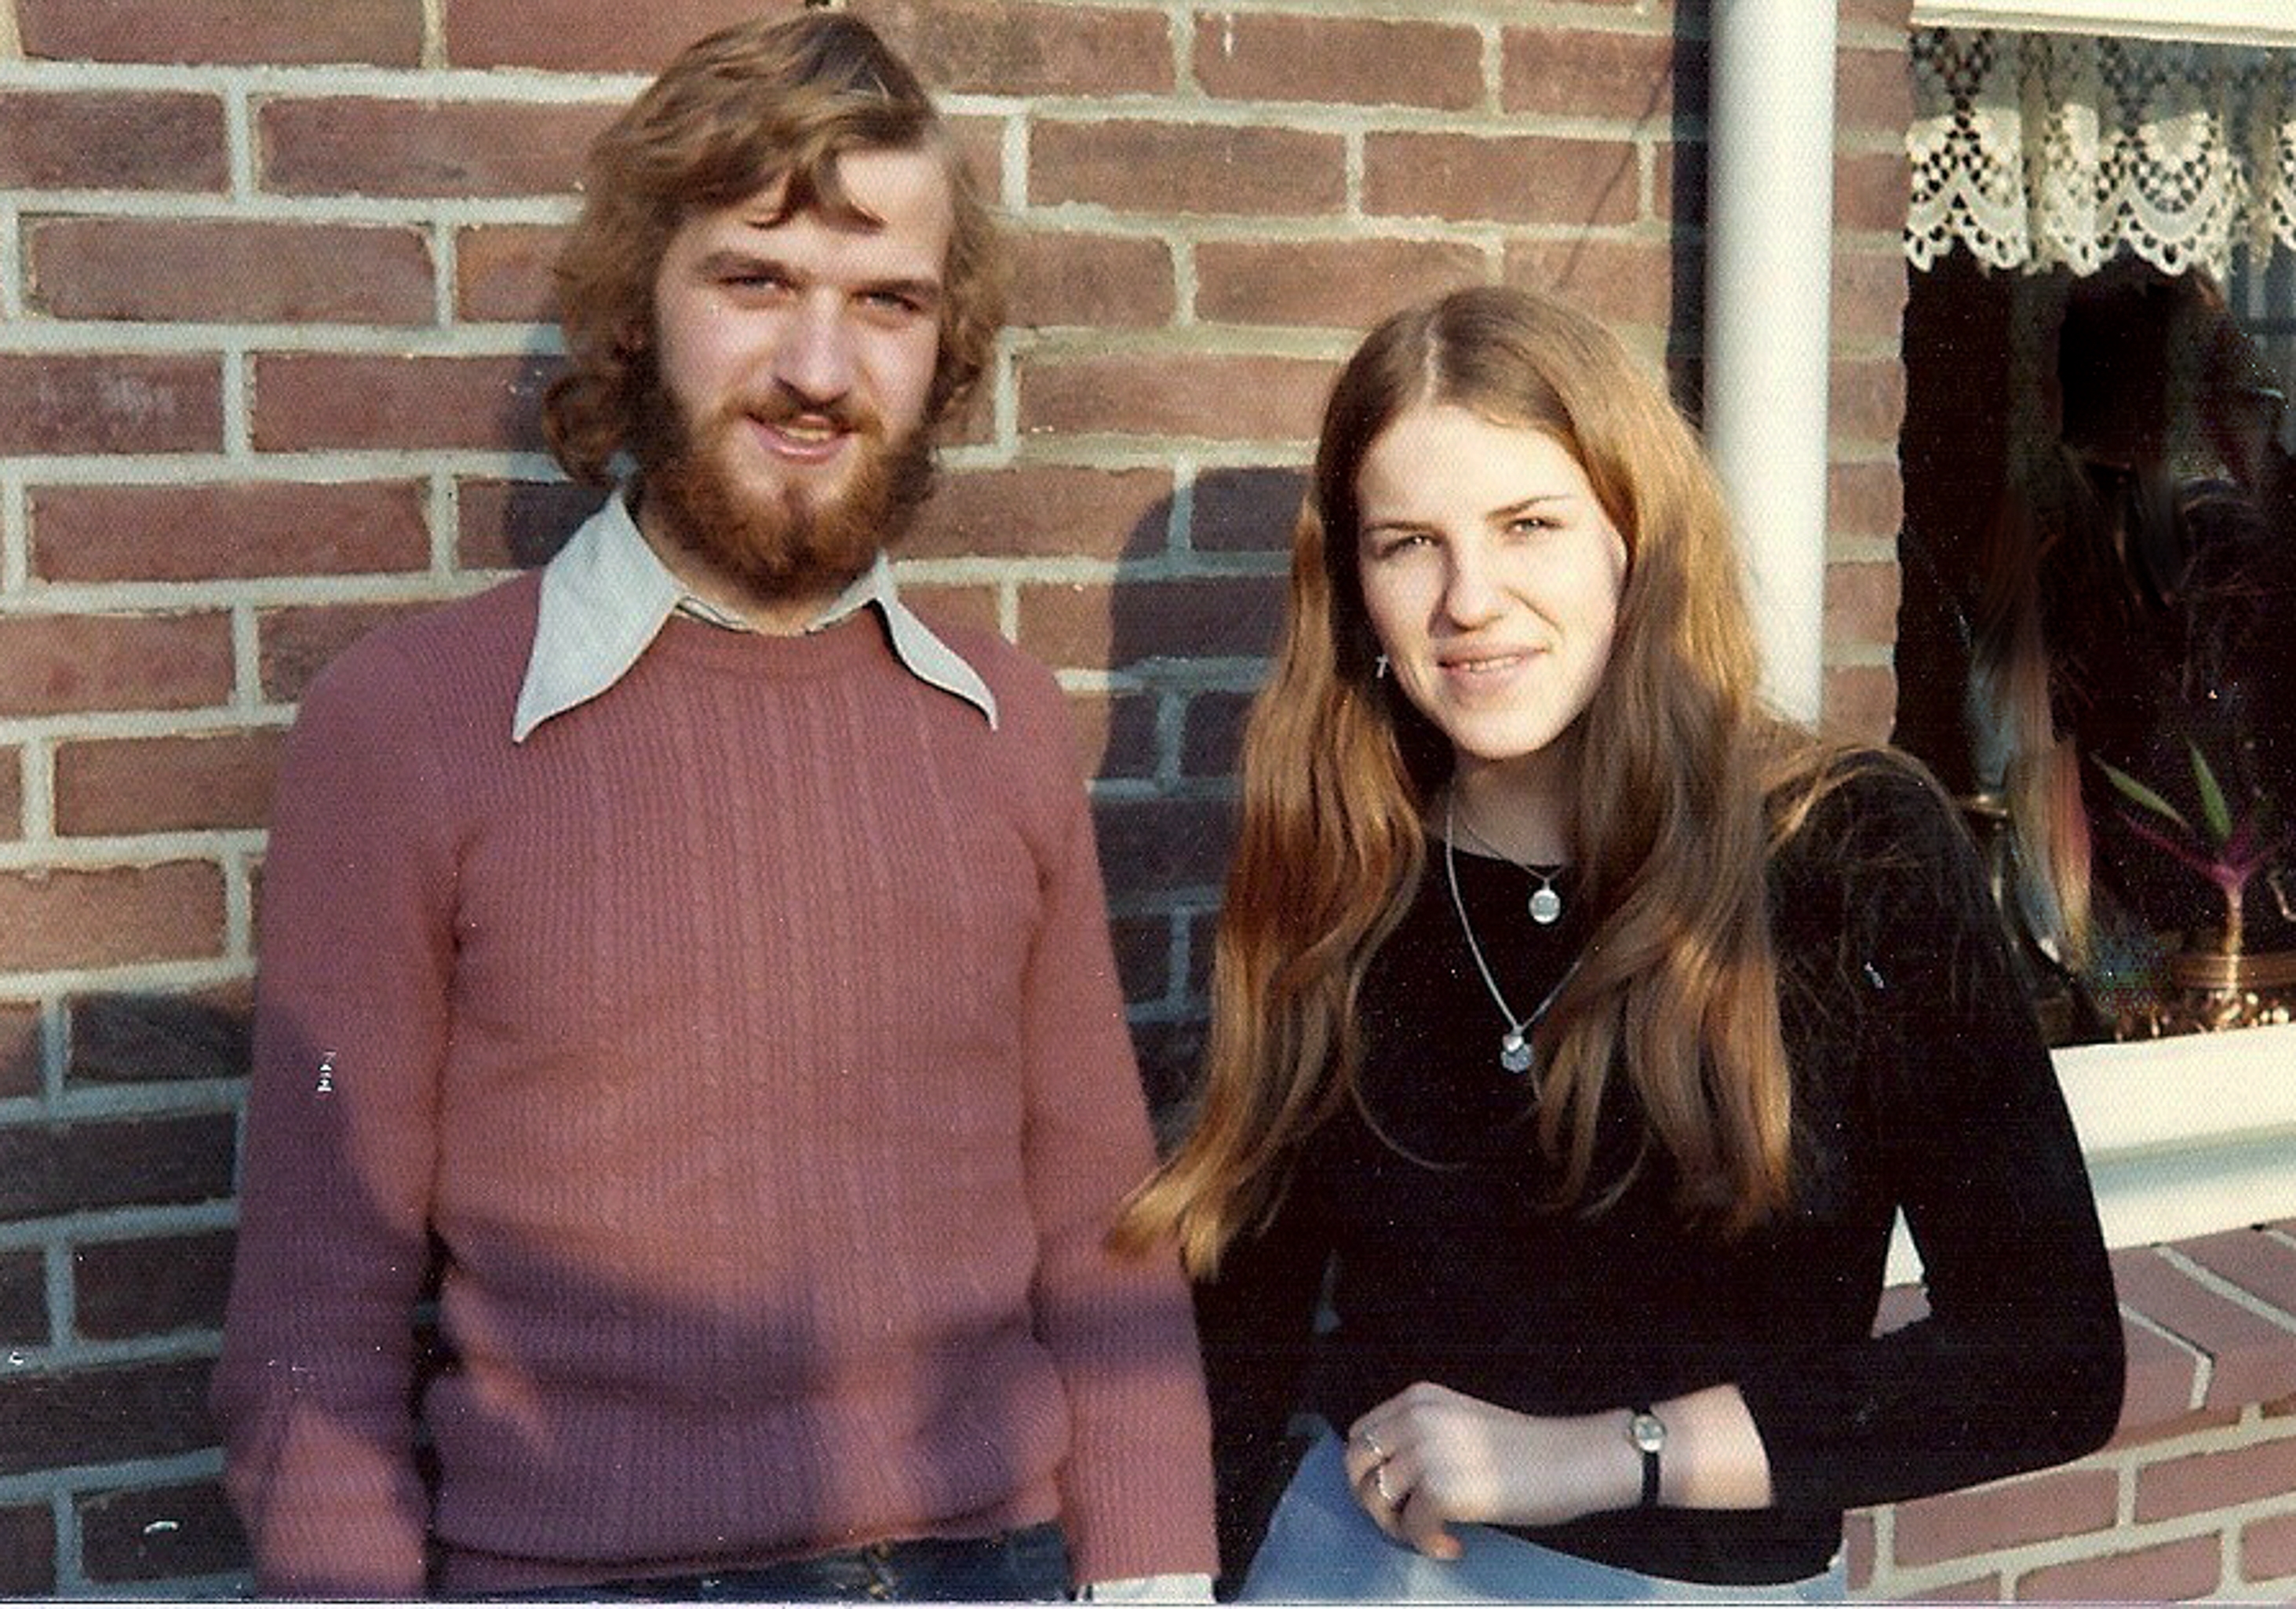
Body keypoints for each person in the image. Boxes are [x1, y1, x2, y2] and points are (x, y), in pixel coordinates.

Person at [212, 13, 1215, 1600]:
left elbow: (1102, 1233)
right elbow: (312, 1325)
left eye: (884, 302)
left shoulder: (1004, 725)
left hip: (991, 1565)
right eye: (754, 281)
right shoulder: (408, 727)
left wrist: (1153, 1576)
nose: (817, 370)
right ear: (637, 307)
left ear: (941, 347)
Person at [1113, 286, 2124, 1600]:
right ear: (1353, 587)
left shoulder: (1846, 851)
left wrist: (1598, 1453)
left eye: (1527, 524)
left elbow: (2048, 1358)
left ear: (1632, 537)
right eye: (1407, 543)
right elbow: (1235, 1330)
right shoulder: (1348, 860)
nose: (1468, 599)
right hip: (1353, 1572)